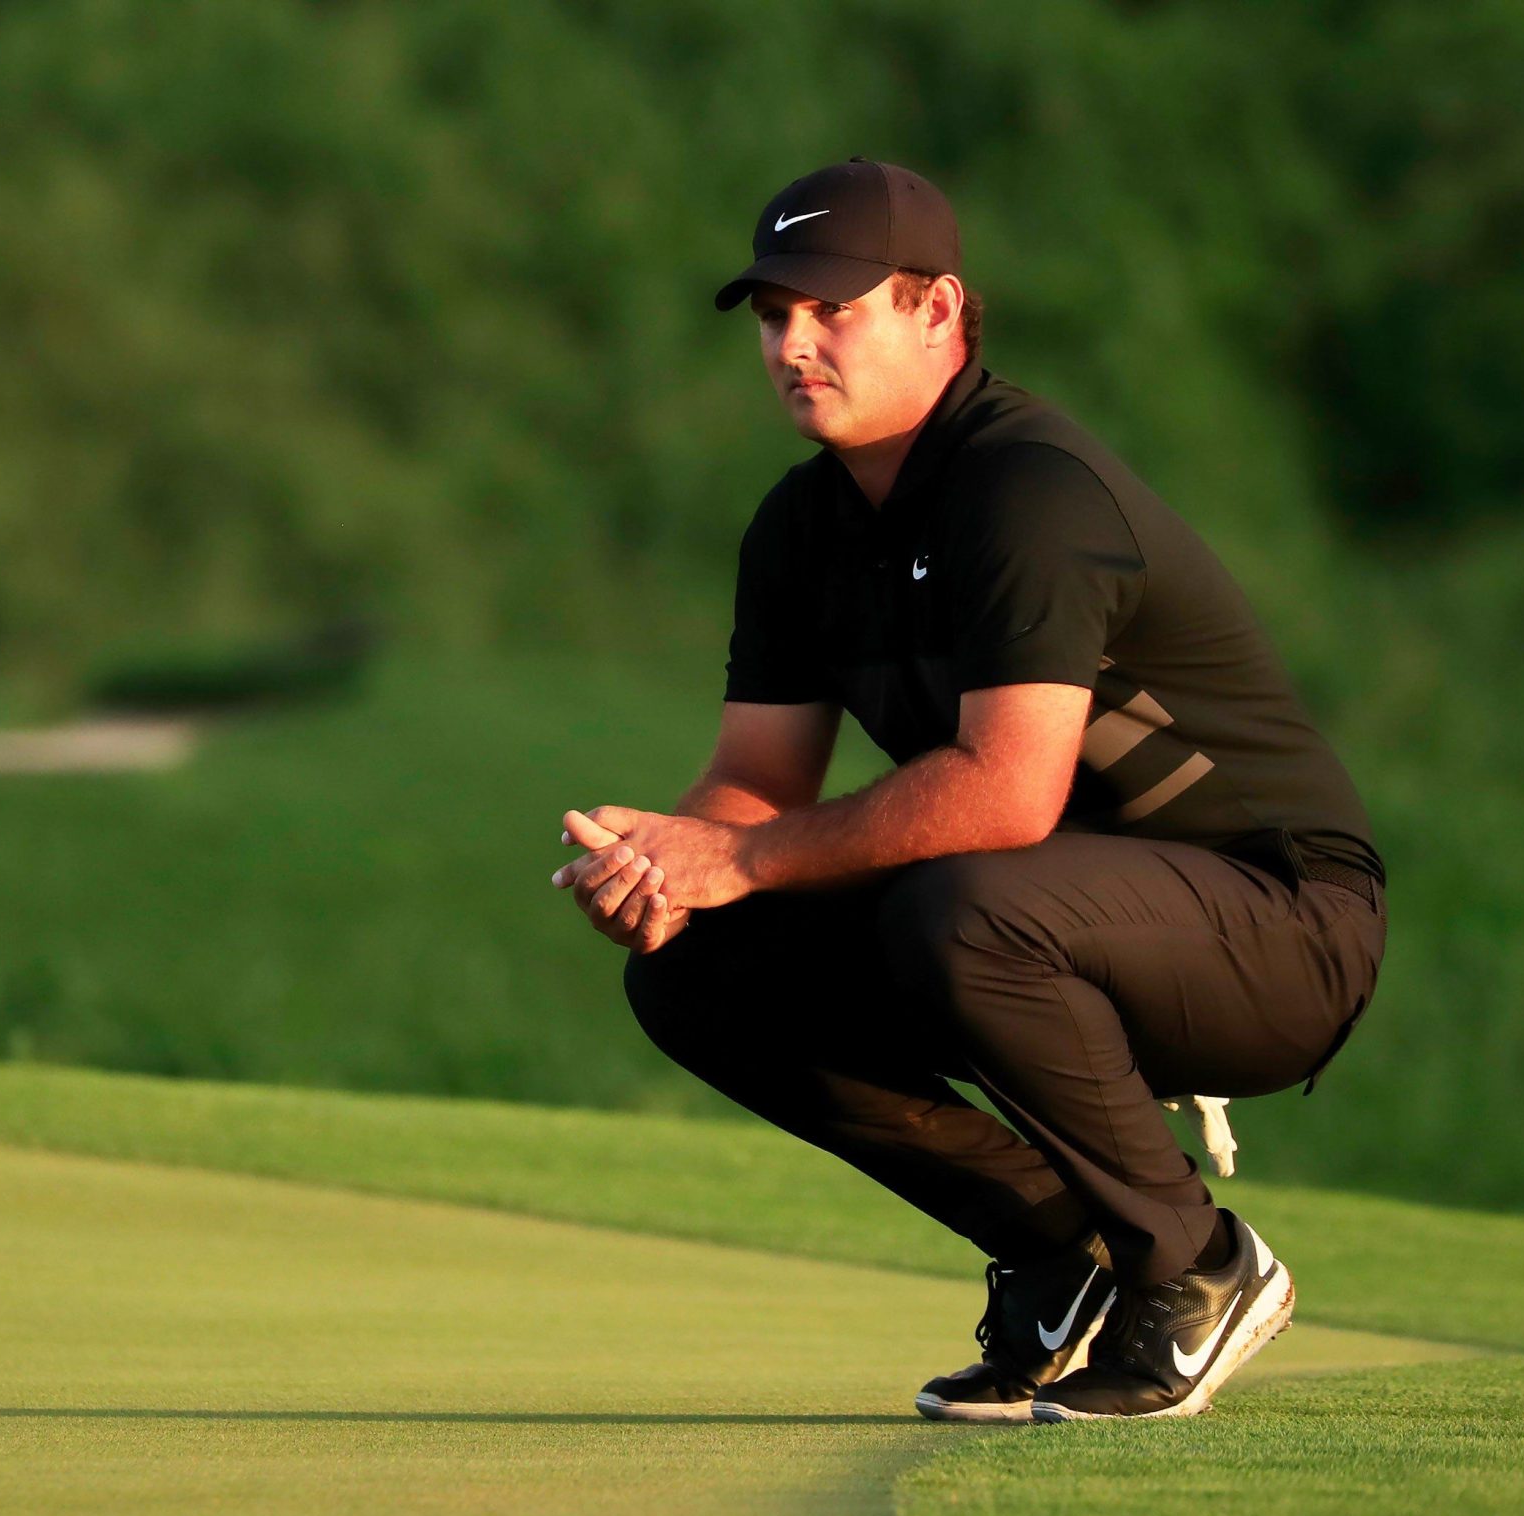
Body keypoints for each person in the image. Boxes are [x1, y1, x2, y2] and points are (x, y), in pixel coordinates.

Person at [549, 158, 1387, 1423]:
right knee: (697, 968)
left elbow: (1005, 795)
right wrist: (667, 869)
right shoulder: (798, 529)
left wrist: (745, 858)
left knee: (963, 909)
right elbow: (756, 784)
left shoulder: (1026, 488)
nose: (792, 344)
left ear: (936, 309)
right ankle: (1059, 1243)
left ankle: (1197, 1260)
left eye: (831, 309)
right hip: (1049, 915)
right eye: (774, 315)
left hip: (1282, 924)